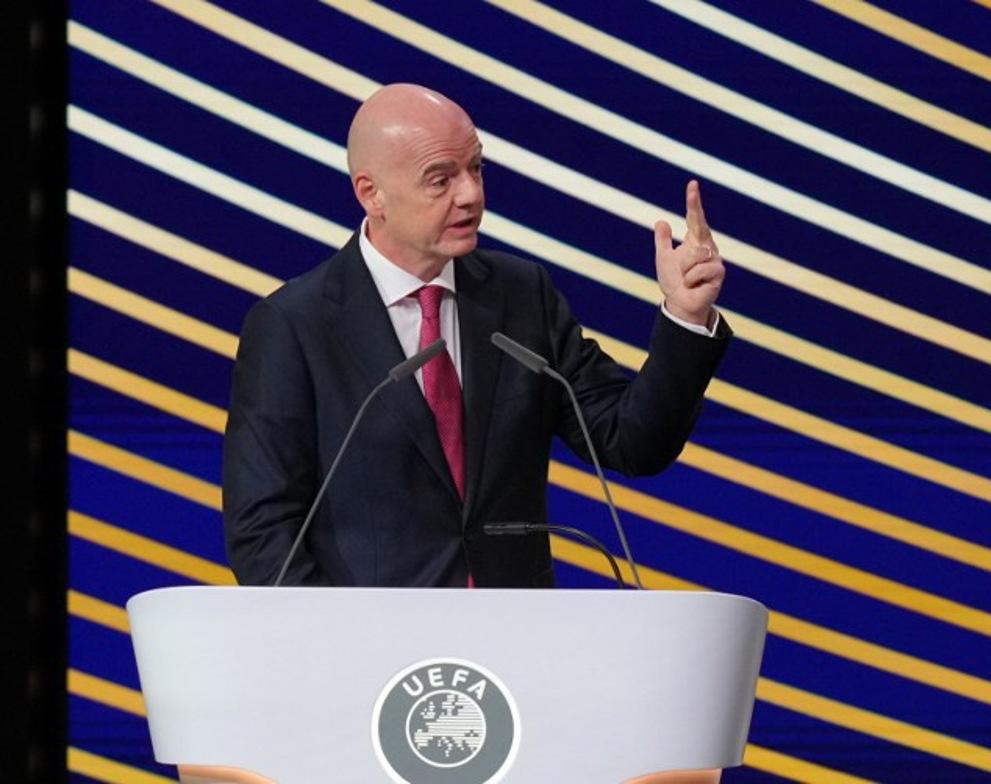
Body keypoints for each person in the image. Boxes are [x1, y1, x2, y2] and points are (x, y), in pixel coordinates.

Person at [222, 84, 730, 587]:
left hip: (512, 643)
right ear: (370, 193)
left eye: (476, 169)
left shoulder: (521, 296)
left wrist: (684, 317)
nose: (471, 194)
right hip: (375, 654)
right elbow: (263, 528)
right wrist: (340, 648)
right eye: (440, 180)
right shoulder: (294, 324)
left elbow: (631, 443)